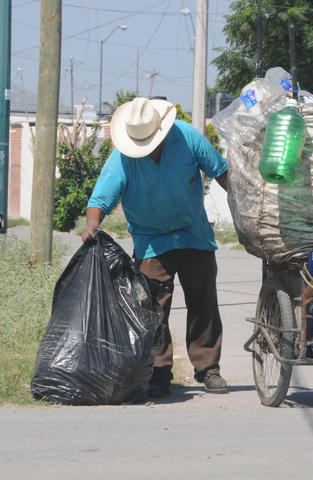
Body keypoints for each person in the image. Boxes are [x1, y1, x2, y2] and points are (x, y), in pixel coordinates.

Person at [82, 97, 229, 397]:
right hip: (151, 239)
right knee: (152, 308)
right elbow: (100, 199)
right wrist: (92, 226)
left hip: (193, 233)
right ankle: (158, 371)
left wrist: (245, 204)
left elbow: (221, 171)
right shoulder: (124, 156)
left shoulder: (188, 137)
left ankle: (208, 369)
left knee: (203, 303)